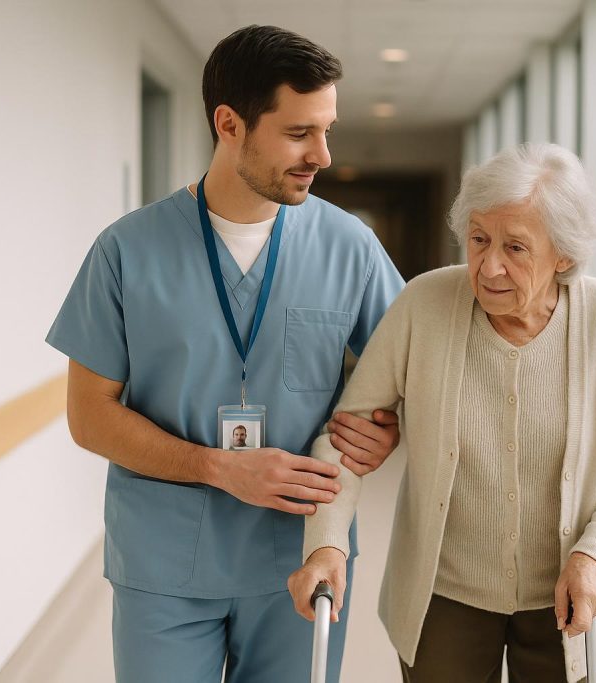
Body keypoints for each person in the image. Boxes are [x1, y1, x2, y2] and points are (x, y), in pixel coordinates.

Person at [46, 25, 405, 683]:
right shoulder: (125, 252)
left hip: (300, 556)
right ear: (230, 123)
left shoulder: (349, 247)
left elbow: (411, 377)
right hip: (164, 564)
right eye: (299, 133)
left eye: (327, 130)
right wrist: (218, 467)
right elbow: (88, 416)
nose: (322, 154)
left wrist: (385, 428)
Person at [288, 143, 596, 683]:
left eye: (516, 247)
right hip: (444, 595)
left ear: (563, 253)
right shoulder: (425, 304)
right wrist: (325, 546)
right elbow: (344, 441)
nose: (489, 266)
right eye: (479, 239)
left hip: (570, 594)